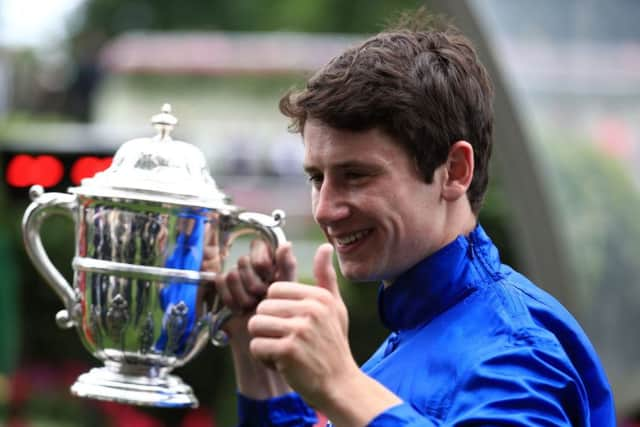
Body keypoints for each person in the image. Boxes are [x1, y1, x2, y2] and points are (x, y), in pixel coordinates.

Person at [204, 10, 616, 427]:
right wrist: (258, 360)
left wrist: (342, 383)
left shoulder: (518, 351)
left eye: (356, 175)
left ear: (455, 170)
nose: (325, 209)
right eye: (316, 177)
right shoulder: (416, 328)